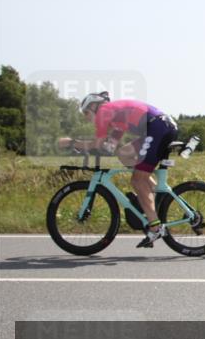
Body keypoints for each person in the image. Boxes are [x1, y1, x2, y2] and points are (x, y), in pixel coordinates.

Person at [59, 92, 179, 247]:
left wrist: (71, 143)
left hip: (158, 128)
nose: (86, 117)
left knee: (137, 180)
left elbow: (97, 143)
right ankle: (155, 190)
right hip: (160, 127)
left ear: (95, 106)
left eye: (86, 113)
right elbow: (108, 147)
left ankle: (155, 227)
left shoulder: (104, 112)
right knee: (124, 154)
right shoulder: (117, 120)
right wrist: (89, 148)